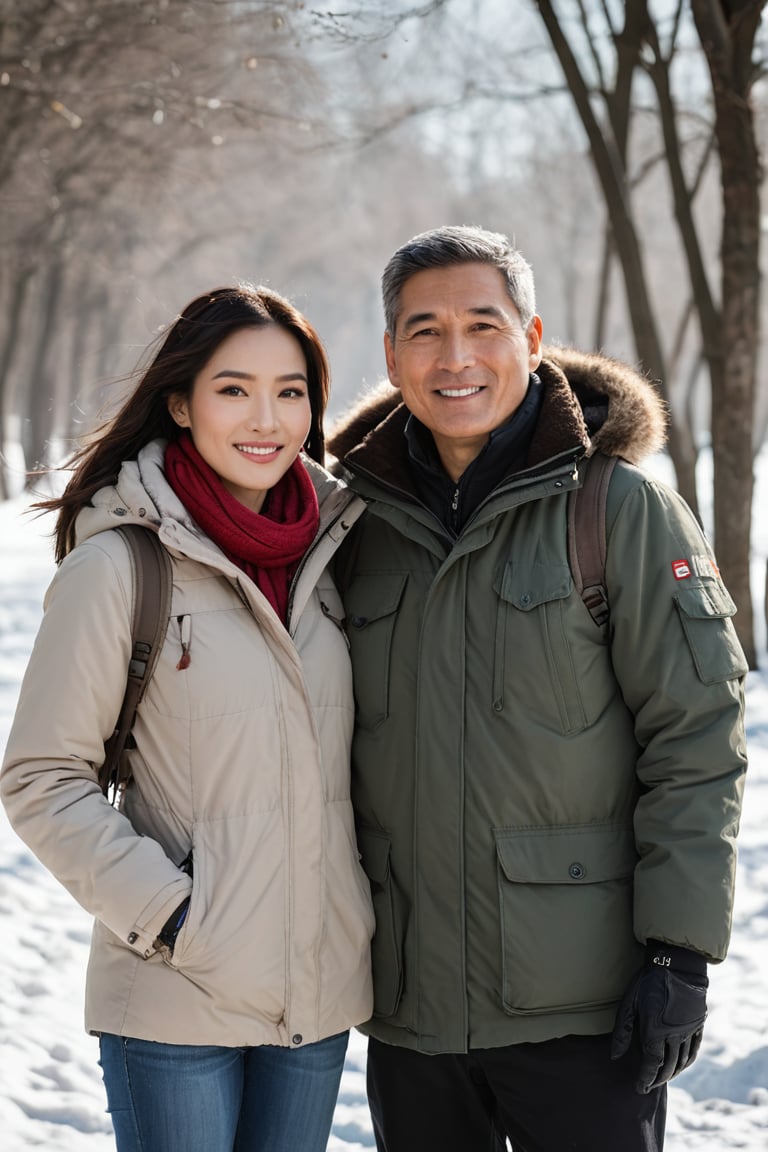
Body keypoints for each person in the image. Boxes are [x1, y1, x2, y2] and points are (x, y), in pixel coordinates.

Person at [327, 225, 748, 1152]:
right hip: (410, 1007)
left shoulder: (619, 508)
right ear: (392, 355)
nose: (457, 356)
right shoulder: (350, 524)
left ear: (531, 334)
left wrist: (679, 954)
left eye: (484, 324)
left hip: (586, 1010)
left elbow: (697, 735)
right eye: (425, 331)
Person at [1, 284, 374, 1152]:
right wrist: (172, 917)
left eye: (291, 391)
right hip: (177, 994)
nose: (267, 417)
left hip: (315, 995)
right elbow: (40, 777)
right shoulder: (122, 565)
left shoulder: (341, 554)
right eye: (234, 388)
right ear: (181, 402)